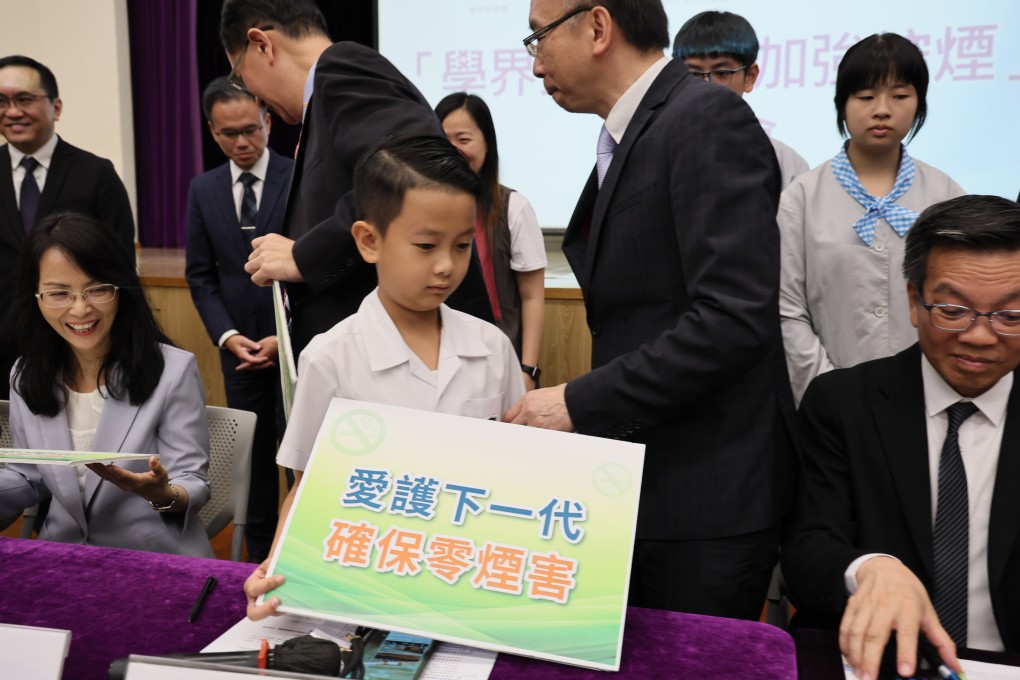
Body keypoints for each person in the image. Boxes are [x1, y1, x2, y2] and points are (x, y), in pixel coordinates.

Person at [505, 0, 794, 619]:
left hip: (703, 497)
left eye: (539, 38)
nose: (534, 66)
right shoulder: (633, 131)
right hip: (647, 483)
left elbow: (732, 319)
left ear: (599, 27)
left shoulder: (706, 118)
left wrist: (576, 401)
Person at [243, 135, 525, 618]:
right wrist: (277, 564)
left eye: (461, 246)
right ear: (369, 241)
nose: (446, 266)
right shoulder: (330, 357)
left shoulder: (492, 347)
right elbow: (309, 483)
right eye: (425, 246)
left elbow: (523, 469)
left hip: (473, 581)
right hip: (373, 587)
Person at [782, 195, 1020, 680]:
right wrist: (869, 567)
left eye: (1011, 316)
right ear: (914, 301)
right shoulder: (843, 403)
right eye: (952, 310)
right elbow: (807, 547)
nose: (979, 336)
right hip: (877, 664)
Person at [219, 0, 491, 358]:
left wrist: (303, 256)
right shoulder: (323, 100)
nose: (254, 96)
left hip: (407, 358)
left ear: (262, 45)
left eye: (241, 77)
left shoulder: (342, 67)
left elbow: (416, 170)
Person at [0, 213, 212, 556]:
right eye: (59, 293)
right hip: (63, 557)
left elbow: (193, 483)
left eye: (97, 289)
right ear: (36, 297)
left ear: (121, 289)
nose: (80, 309)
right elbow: (27, 477)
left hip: (152, 558)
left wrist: (161, 493)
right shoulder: (26, 373)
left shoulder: (172, 370)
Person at [779, 33, 965, 403]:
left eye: (900, 96)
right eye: (865, 97)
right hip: (831, 400)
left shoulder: (946, 195)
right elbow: (787, 311)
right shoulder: (801, 197)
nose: (882, 109)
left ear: (919, 103)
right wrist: (829, 392)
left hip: (930, 396)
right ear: (842, 104)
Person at [185, 77, 292, 563]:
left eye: (251, 129)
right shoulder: (203, 189)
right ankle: (259, 555)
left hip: (292, 347)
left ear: (268, 121)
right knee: (252, 461)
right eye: (230, 133)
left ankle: (297, 546)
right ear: (212, 132)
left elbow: (312, 268)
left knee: (298, 450)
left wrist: (282, 337)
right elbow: (201, 276)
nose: (243, 142)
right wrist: (228, 337)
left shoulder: (297, 177)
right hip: (239, 353)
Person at [0, 55, 135, 399]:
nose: (12, 111)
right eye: (2, 101)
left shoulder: (96, 174)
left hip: (74, 349)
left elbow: (120, 270)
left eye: (24, 99)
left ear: (56, 106)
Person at [435, 92, 547, 387]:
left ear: (487, 143)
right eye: (444, 139)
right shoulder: (419, 212)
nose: (453, 149)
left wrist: (528, 369)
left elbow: (532, 296)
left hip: (501, 356)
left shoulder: (514, 207)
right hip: (436, 353)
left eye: (464, 139)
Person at [672, 10, 808, 189]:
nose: (705, 86)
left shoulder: (787, 164)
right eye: (694, 74)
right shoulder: (657, 153)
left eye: (721, 73)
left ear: (750, 77)